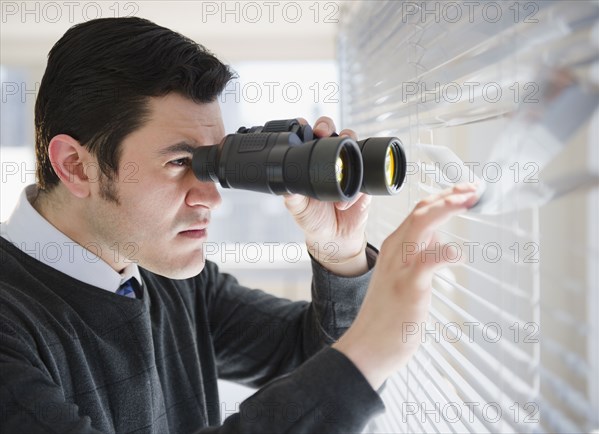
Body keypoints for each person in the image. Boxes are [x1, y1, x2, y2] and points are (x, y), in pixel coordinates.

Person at [0, 17, 479, 433]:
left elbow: (309, 356)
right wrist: (372, 349)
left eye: (212, 163)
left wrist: (341, 254)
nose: (211, 196)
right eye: (180, 161)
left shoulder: (166, 280)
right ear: (76, 166)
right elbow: (343, 370)